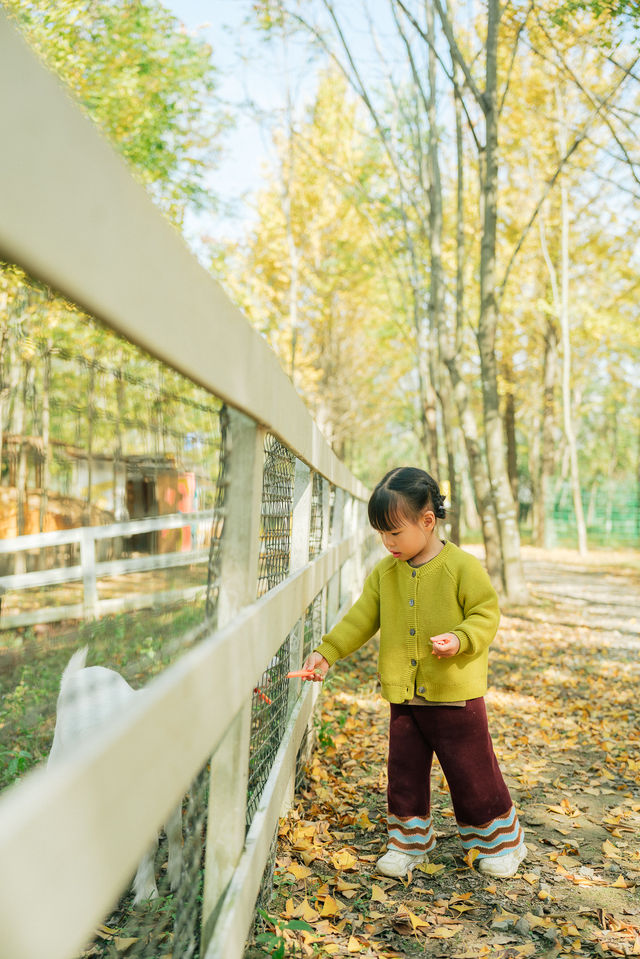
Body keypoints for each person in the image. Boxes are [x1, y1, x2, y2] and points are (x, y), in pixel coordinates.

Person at [302, 466, 526, 880]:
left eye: (394, 532)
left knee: (472, 772)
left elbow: (485, 614)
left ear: (427, 522)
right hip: (404, 696)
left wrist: (460, 638)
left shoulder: (462, 567)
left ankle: (500, 843)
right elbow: (361, 619)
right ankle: (408, 843)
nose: (388, 543)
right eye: (381, 534)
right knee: (403, 773)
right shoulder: (385, 573)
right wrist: (327, 653)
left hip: (456, 694)